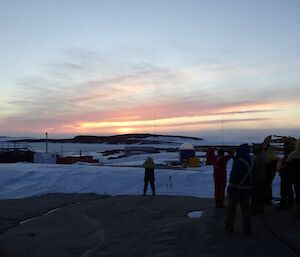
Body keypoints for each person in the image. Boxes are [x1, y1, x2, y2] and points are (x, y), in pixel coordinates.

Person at [225, 144, 252, 233]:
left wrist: (231, 187)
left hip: (236, 189)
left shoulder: (239, 161)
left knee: (231, 210)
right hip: (247, 189)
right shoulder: (250, 160)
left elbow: (234, 175)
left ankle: (229, 227)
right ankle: (247, 228)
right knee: (246, 210)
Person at [277, 142, 295, 210]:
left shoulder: (288, 154)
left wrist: (282, 169)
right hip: (288, 174)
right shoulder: (291, 154)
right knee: (288, 189)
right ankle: (290, 203)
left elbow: (287, 165)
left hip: (286, 174)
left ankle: (283, 203)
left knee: (284, 189)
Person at [251, 144, 267, 214]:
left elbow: (254, 169)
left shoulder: (257, 158)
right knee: (261, 194)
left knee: (255, 194)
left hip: (257, 179)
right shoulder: (264, 156)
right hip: (263, 178)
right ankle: (260, 208)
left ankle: (255, 209)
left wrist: (251, 178)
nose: (253, 151)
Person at [286, 138, 300, 218]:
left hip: (296, 179)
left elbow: (288, 168)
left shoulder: (292, 154)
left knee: (297, 194)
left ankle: (297, 212)